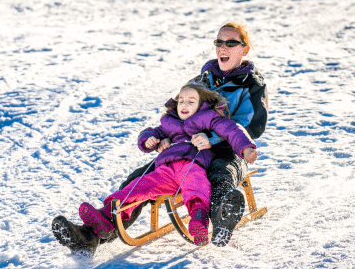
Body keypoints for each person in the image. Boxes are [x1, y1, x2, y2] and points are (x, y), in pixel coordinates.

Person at [52, 21, 268, 256]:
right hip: (188, 151)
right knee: (140, 177)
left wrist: (212, 139)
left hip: (229, 148)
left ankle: (221, 219)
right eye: (219, 42)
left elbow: (252, 127)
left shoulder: (252, 84)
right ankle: (92, 234)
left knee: (221, 173)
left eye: (230, 43)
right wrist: (164, 138)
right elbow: (180, 113)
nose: (223, 47)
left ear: (244, 49)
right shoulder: (202, 79)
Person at [78, 85, 257, 246]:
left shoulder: (210, 118)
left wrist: (246, 148)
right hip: (166, 169)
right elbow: (152, 131)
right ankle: (106, 216)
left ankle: (199, 221)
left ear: (202, 105)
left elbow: (232, 130)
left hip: (193, 165)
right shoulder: (170, 123)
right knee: (137, 187)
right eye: (181, 101)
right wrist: (149, 139)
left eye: (191, 101)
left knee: (196, 188)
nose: (184, 105)